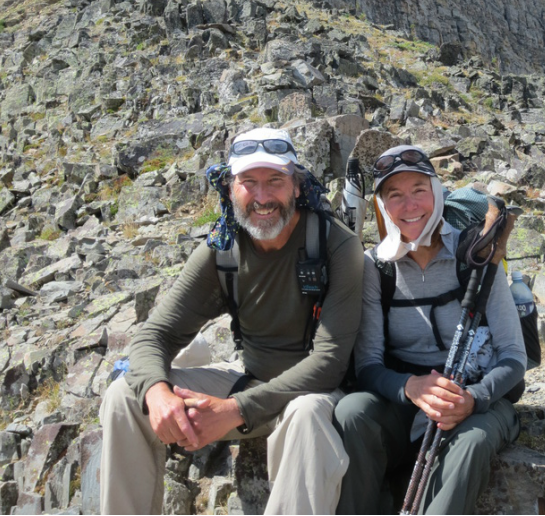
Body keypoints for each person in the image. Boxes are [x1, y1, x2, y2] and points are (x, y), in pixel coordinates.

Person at [99, 127, 363, 516]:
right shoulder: (222, 252)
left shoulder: (336, 245)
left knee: (306, 417)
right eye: (248, 183)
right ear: (229, 188)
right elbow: (156, 334)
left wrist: (233, 411)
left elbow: (330, 363)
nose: (262, 197)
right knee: (124, 396)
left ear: (295, 185)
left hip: (314, 395)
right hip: (249, 380)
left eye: (275, 181)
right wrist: (158, 394)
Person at [334, 145, 526, 515]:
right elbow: (369, 365)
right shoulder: (376, 268)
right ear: (383, 207)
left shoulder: (477, 254)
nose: (409, 206)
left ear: (436, 193)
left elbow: (513, 356)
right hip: (406, 399)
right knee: (352, 411)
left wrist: (473, 398)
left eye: (419, 190)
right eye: (395, 195)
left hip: (477, 396)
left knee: (471, 442)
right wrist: (410, 387)